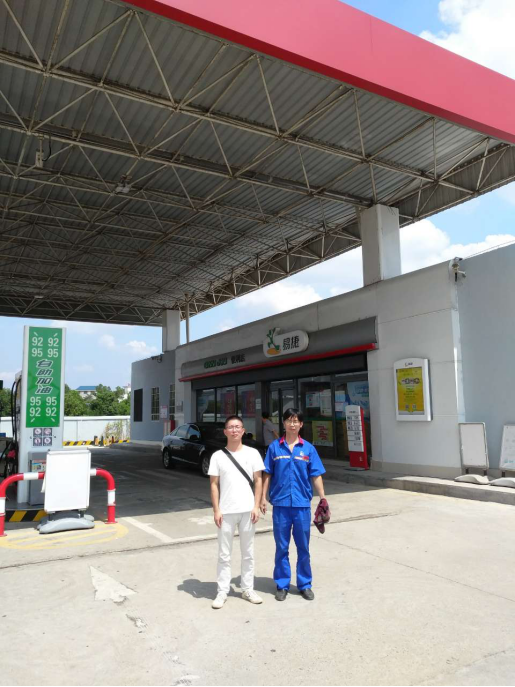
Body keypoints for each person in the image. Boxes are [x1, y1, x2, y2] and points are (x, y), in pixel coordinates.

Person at [261, 407, 326, 601]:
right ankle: (282, 584)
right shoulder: (274, 448)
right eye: (289, 420)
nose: (292, 424)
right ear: (283, 423)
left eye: (296, 421)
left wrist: (323, 498)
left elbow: (316, 474)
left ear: (301, 424)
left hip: (301, 506)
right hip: (280, 505)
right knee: (281, 547)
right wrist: (263, 497)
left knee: (303, 547)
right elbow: (267, 474)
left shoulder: (308, 449)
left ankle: (305, 584)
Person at [208, 414, 265, 609]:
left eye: (237, 427)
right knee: (224, 554)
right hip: (226, 512)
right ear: (225, 432)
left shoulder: (252, 453)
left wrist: (256, 506)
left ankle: (247, 588)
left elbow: (258, 480)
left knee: (248, 553)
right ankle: (222, 591)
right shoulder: (217, 456)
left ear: (243, 431)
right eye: (231, 427)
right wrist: (216, 510)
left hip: (248, 510)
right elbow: (214, 485)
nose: (234, 430)